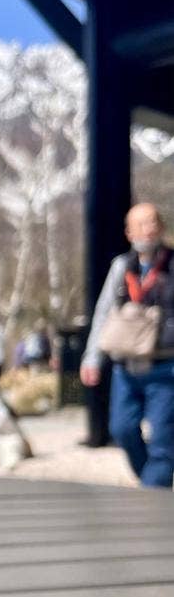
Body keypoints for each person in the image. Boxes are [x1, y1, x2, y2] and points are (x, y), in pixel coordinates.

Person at [81, 202, 174, 488]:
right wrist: (92, 357)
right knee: (121, 429)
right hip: (126, 367)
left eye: (153, 222)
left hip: (165, 366)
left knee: (162, 439)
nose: (149, 229)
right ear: (129, 231)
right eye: (142, 224)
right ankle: (154, 483)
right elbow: (104, 311)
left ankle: (152, 493)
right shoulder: (122, 266)